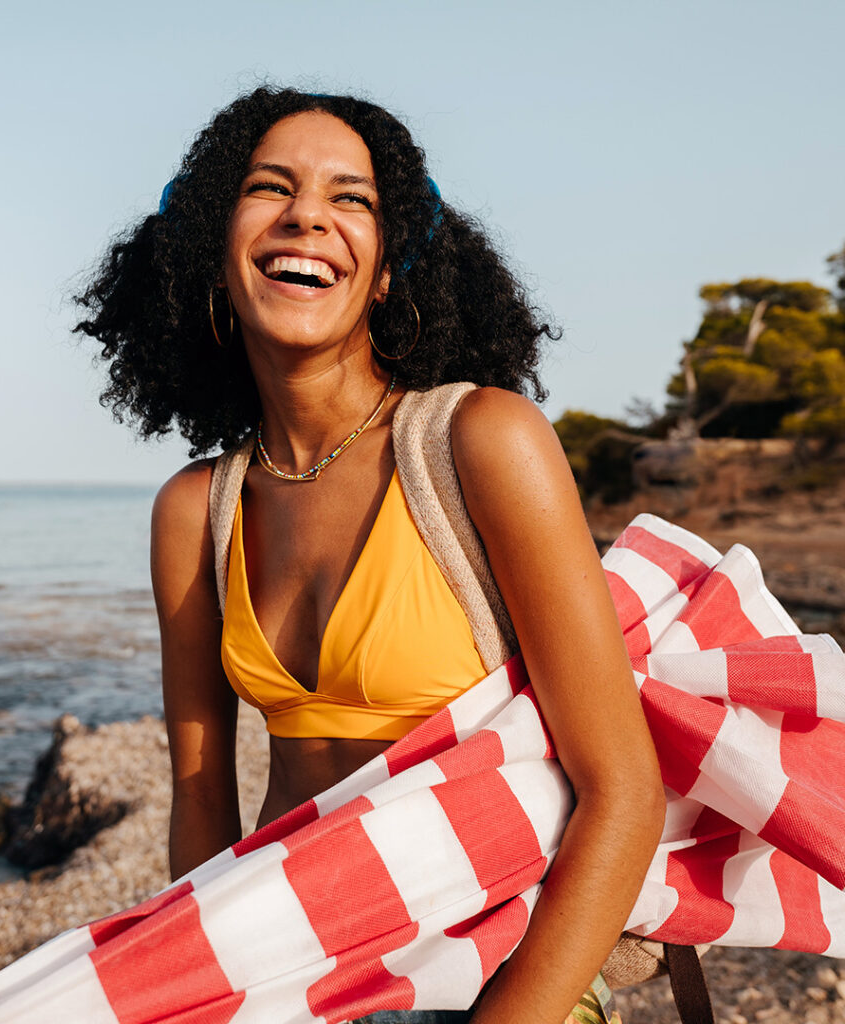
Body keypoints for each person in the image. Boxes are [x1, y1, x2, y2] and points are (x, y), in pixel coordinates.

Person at [74, 86, 666, 1024]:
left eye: (352, 199)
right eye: (272, 187)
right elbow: (200, 798)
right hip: (284, 968)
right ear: (209, 252)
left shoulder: (481, 443)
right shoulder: (197, 509)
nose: (308, 213)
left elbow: (624, 790)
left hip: (493, 964)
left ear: (389, 271)